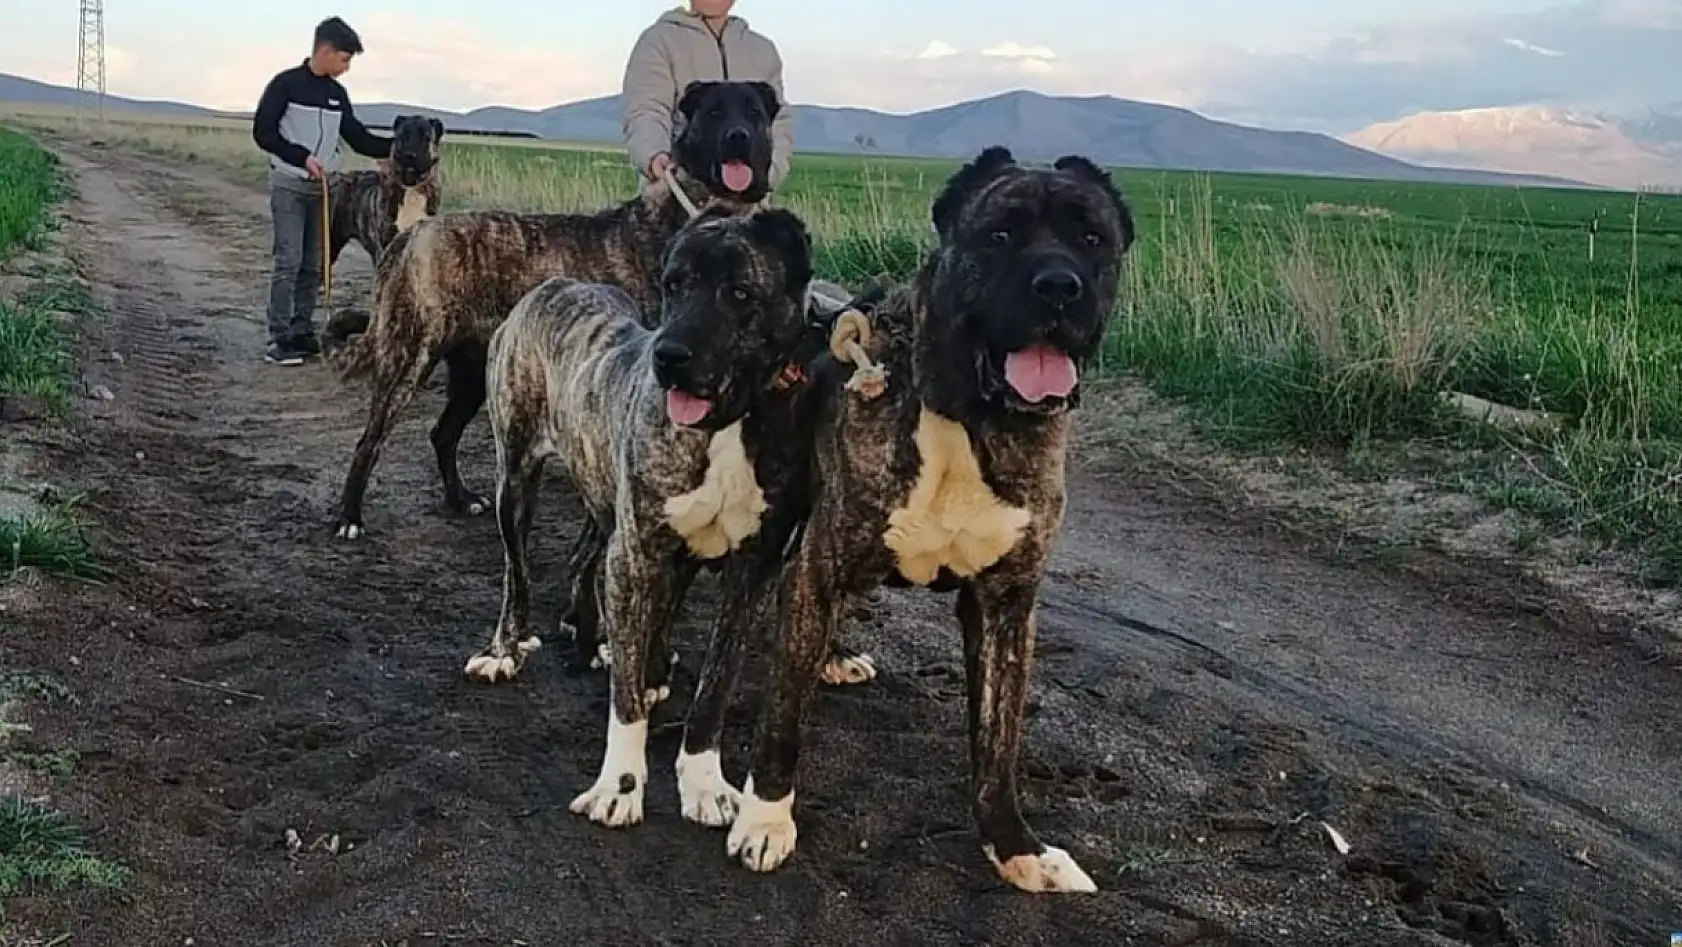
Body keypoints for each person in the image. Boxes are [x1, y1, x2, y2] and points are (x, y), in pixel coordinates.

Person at [251, 16, 392, 366]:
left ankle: (302, 330)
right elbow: (263, 132)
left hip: (325, 190)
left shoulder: (337, 96)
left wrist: (398, 148)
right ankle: (278, 337)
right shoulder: (285, 85)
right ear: (326, 50)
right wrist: (300, 157)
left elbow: (358, 138)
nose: (346, 68)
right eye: (344, 59)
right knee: (289, 261)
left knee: (314, 264)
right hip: (289, 185)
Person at [621, 1, 795, 194]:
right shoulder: (659, 41)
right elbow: (647, 109)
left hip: (749, 202)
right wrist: (654, 155)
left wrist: (768, 176)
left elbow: (779, 121)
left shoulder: (762, 50)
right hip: (678, 196)